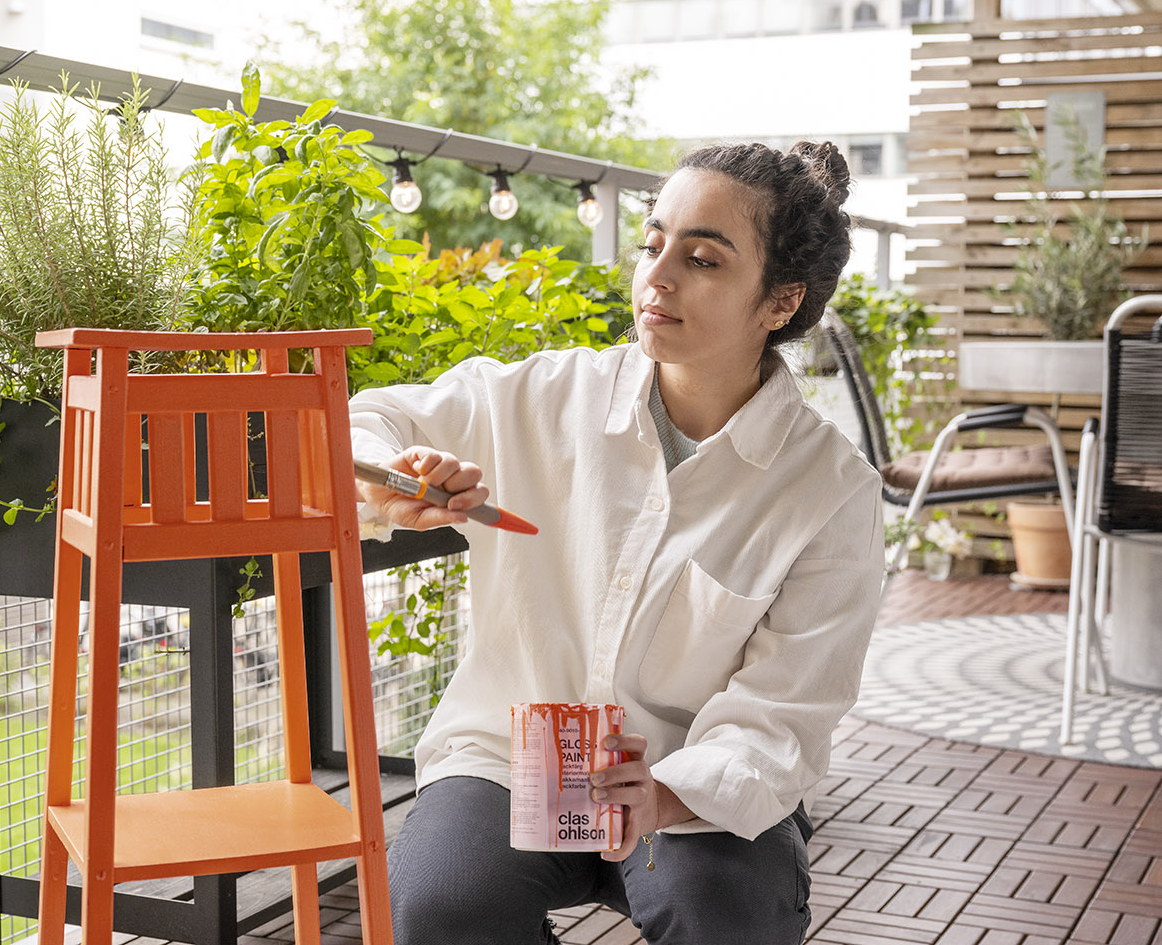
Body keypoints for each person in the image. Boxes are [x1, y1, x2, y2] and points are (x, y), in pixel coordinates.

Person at [349, 141, 884, 944]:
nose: (657, 276)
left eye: (701, 258)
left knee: (723, 918)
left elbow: (785, 712)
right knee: (434, 909)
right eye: (653, 243)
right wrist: (393, 473)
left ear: (779, 301)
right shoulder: (543, 395)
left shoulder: (829, 489)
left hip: (692, 779)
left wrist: (661, 797)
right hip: (503, 755)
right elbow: (370, 417)